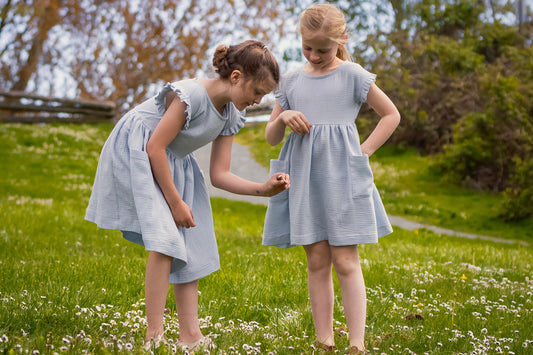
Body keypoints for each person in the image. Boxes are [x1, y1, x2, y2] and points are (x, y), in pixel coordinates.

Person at [85, 40, 290, 352]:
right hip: (140, 148)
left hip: (173, 160)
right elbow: (154, 146)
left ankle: (190, 335)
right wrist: (175, 201)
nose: (258, 100)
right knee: (166, 241)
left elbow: (219, 175)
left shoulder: (231, 115)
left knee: (190, 244)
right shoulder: (190, 95)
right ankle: (154, 337)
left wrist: (263, 189)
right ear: (236, 77)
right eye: (256, 92)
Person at [262, 4, 400, 354]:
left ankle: (357, 344)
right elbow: (270, 137)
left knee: (346, 259)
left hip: (343, 177)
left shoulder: (353, 74)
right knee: (317, 260)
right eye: (308, 47)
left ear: (342, 39)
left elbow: (391, 115)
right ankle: (324, 341)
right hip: (305, 178)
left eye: (322, 49)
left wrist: (362, 152)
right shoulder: (291, 80)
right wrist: (284, 116)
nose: (314, 55)